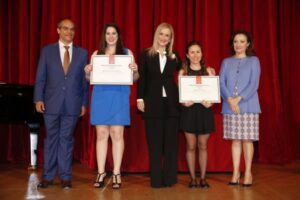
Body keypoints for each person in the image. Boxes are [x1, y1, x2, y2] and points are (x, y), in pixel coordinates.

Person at [34, 19, 88, 189]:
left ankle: (66, 177)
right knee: (51, 139)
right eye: (65, 29)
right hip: (50, 103)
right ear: (58, 30)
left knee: (66, 140)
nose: (69, 32)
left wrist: (83, 103)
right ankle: (48, 177)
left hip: (73, 104)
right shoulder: (47, 51)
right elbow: (40, 77)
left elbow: (84, 83)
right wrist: (38, 98)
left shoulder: (82, 53)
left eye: (72, 29)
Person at [84, 23, 139, 189]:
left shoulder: (127, 53)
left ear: (118, 35)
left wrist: (136, 70)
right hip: (100, 97)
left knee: (117, 134)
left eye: (114, 33)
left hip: (119, 96)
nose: (111, 36)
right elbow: (90, 79)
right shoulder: (96, 54)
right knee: (101, 134)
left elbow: (134, 78)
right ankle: (101, 172)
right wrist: (87, 71)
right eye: (108, 33)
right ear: (104, 36)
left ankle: (116, 173)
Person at [137, 22, 182, 188]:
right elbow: (142, 78)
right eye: (161, 34)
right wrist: (140, 99)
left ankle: (170, 179)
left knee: (171, 144)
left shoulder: (174, 56)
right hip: (152, 103)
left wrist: (208, 70)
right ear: (157, 35)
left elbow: (186, 70)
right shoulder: (146, 54)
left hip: (171, 104)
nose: (164, 38)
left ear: (171, 39)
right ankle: (156, 180)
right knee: (154, 144)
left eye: (167, 35)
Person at [220, 30, 261, 187]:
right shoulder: (226, 61)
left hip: (248, 105)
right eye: (235, 41)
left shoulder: (254, 61)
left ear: (248, 43)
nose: (238, 44)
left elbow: (254, 84)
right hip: (230, 106)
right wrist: (230, 99)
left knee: (247, 140)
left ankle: (248, 173)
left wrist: (238, 99)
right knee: (235, 140)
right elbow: (221, 83)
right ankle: (236, 172)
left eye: (242, 41)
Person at [179, 41, 215, 189]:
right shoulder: (183, 72)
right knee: (191, 146)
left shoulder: (210, 71)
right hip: (189, 112)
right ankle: (193, 178)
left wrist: (211, 102)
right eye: (192, 52)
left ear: (202, 53)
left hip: (205, 112)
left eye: (198, 52)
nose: (195, 55)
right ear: (187, 55)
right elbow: (181, 96)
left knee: (203, 146)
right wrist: (183, 102)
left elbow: (213, 94)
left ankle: (203, 178)